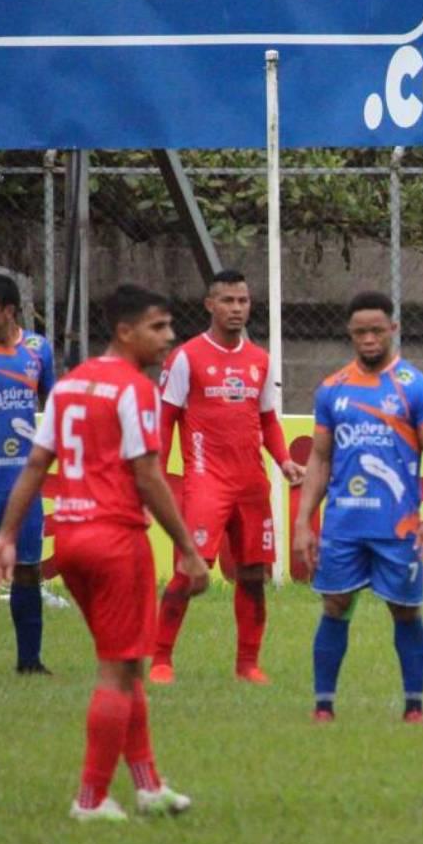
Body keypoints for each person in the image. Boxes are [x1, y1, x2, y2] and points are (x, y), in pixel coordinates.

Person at [0, 283, 211, 822]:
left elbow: (37, 464)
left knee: (126, 665)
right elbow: (149, 475)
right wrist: (188, 548)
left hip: (75, 541)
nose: (169, 337)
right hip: (116, 542)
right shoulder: (135, 390)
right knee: (118, 671)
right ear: (125, 331)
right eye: (158, 327)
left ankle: (149, 785)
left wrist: (7, 536)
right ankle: (90, 799)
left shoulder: (70, 385)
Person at [292, 291, 423, 725]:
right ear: (349, 333)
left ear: (393, 330)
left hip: (398, 526)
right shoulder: (332, 390)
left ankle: (414, 707)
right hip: (343, 524)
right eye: (360, 331)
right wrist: (304, 521)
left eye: (377, 330)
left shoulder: (417, 387)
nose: (368, 339)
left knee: (405, 609)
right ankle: (324, 706)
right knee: (335, 604)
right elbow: (320, 458)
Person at [150, 268, 305, 685]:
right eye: (228, 301)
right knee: (191, 569)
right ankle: (161, 659)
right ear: (210, 305)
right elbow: (165, 422)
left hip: (252, 484)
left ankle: (248, 665)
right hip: (206, 482)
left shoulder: (259, 360)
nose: (237, 309)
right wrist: (158, 476)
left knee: (254, 574)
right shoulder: (186, 357)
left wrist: (285, 460)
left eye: (243, 301)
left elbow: (268, 421)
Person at [0, 273, 56, 674]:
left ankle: (30, 661)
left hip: (23, 483)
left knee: (28, 568)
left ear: (8, 310)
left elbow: (55, 407)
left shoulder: (39, 349)